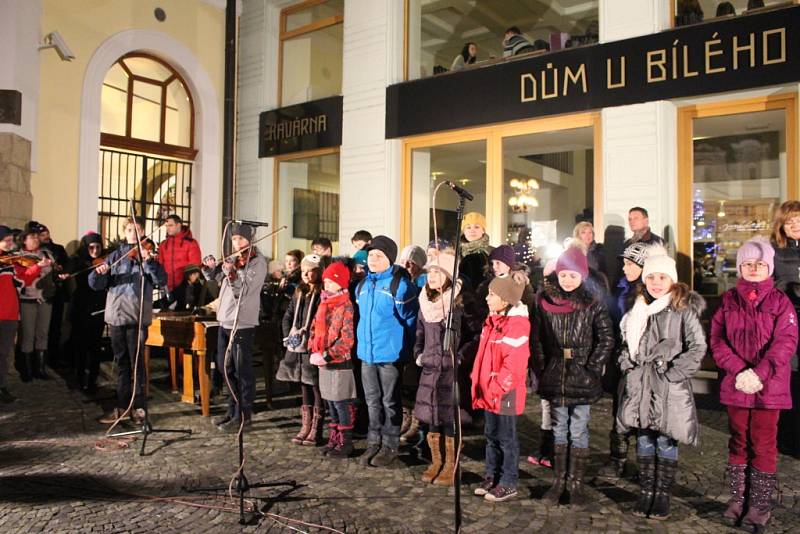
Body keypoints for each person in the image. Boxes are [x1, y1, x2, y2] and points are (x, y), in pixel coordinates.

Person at [711, 237, 797, 530]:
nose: (754, 268)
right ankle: (738, 498)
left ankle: (759, 505)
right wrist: (738, 371)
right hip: (737, 385)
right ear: (740, 267)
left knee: (763, 443)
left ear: (769, 267)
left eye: (760, 264)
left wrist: (759, 373)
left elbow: (786, 343)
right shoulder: (728, 300)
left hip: (768, 387)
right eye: (748, 263)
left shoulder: (780, 302)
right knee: (738, 440)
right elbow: (717, 340)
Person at [616, 245, 706, 520]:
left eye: (662, 278)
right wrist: (626, 362)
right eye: (651, 277)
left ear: (672, 280)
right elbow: (627, 345)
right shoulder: (639, 308)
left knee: (666, 439)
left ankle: (662, 494)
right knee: (644, 436)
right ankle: (646, 491)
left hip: (669, 388)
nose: (656, 283)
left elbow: (697, 347)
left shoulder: (682, 309)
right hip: (641, 385)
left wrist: (673, 373)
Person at [533, 246, 614, 505]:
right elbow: (537, 339)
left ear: (582, 276)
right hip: (556, 372)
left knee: (578, 429)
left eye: (573, 275)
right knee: (558, 429)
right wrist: (544, 367)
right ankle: (559, 481)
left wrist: (592, 367)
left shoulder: (592, 302)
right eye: (563, 275)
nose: (567, 280)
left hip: (582, 373)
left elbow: (606, 338)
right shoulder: (545, 302)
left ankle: (576, 484)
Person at [90, 217, 167, 425]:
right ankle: (123, 406)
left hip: (137, 315)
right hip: (116, 315)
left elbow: (161, 280)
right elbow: (96, 285)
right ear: (125, 232)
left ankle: (140, 407)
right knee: (122, 363)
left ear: (143, 231)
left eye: (138, 229)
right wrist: (99, 274)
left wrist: (149, 262)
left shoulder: (149, 254)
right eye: (130, 229)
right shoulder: (115, 255)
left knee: (137, 364)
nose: (133, 233)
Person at [355, 235, 419, 467]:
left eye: (378, 256)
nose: (372, 259)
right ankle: (373, 443)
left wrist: (411, 352)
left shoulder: (399, 286)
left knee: (390, 401)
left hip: (390, 355)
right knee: (371, 401)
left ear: (389, 259)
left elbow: (411, 321)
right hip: (367, 354)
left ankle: (390, 445)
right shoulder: (362, 285)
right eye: (370, 255)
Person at [471, 271, 530, 502]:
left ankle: (508, 481)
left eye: (492, 294)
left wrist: (495, 387)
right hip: (490, 389)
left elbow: (513, 365)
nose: (487, 298)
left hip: (505, 392)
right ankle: (492, 475)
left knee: (507, 438)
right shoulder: (492, 321)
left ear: (505, 301)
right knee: (491, 435)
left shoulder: (515, 325)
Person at [598, 240, 649, 478]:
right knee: (620, 409)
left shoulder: (650, 293)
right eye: (625, 263)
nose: (626, 268)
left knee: (643, 411)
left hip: (644, 362)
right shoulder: (621, 288)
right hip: (621, 359)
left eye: (631, 264)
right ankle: (617, 457)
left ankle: (644, 462)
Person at [211, 223, 267, 432]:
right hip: (225, 319)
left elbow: (243, 290)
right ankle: (231, 410)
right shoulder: (235, 259)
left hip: (241, 322)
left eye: (241, 239)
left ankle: (244, 415)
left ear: (250, 239)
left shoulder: (257, 262)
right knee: (226, 368)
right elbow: (220, 282)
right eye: (234, 239)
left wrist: (233, 274)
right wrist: (212, 270)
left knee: (242, 370)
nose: (237, 243)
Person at [413, 252, 463, 485]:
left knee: (448, 417)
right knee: (432, 415)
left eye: (437, 272)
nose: (431, 277)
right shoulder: (425, 301)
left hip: (450, 369)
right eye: (429, 272)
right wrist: (419, 355)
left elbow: (471, 336)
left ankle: (451, 465)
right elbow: (420, 333)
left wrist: (459, 357)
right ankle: (436, 461)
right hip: (430, 367)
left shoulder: (457, 303)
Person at [310, 261, 356, 459]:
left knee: (340, 402)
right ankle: (334, 438)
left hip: (338, 362)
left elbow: (346, 339)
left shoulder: (346, 306)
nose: (326, 285)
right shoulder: (323, 303)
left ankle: (346, 441)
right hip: (323, 361)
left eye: (330, 282)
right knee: (329, 402)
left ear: (340, 283)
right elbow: (315, 327)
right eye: (325, 282)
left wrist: (327, 355)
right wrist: (313, 346)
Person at [278, 254, 325, 444]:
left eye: (311, 270)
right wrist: (288, 335)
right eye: (304, 271)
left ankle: (316, 428)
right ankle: (305, 425)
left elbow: (320, 320)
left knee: (315, 385)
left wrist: (312, 339)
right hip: (297, 345)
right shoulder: (300, 292)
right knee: (303, 384)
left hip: (312, 347)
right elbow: (288, 315)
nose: (306, 274)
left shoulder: (322, 293)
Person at [0, 225, 45, 400]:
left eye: (12, 240)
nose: (12, 244)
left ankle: (2, 387)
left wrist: (38, 266)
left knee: (3, 354)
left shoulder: (12, 262)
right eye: (8, 241)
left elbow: (24, 279)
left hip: (10, 314)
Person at [770, 200, 800, 458]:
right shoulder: (774, 251)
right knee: (789, 377)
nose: (796, 226)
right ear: (782, 225)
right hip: (786, 321)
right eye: (791, 221)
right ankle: (787, 437)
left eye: (799, 220)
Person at [64, 232, 107, 392]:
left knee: (95, 345)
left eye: (98, 247)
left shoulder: (105, 261)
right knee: (81, 344)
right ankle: (80, 377)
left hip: (99, 305)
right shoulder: (78, 260)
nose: (95, 250)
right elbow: (70, 268)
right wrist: (65, 273)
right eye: (91, 247)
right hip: (81, 305)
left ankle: (93, 379)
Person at [17, 227, 57, 381]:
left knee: (42, 333)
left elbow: (53, 273)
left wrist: (58, 274)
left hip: (45, 299)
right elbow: (22, 276)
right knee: (28, 334)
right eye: (31, 237)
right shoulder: (19, 256)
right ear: (24, 240)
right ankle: (26, 370)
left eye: (36, 237)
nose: (35, 240)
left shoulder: (47, 254)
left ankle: (40, 369)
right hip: (28, 299)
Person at [35, 222, 69, 366]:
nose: (46, 237)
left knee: (56, 325)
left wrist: (62, 269)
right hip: (42, 292)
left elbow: (67, 265)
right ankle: (39, 361)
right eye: (43, 235)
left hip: (57, 291)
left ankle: (53, 358)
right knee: (42, 328)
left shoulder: (58, 249)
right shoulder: (36, 252)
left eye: (47, 233)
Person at [158, 214, 202, 294]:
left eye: (171, 225)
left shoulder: (191, 243)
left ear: (178, 225)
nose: (168, 228)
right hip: (167, 287)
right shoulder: (163, 244)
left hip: (185, 287)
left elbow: (195, 266)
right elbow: (160, 265)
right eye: (167, 226)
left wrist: (187, 284)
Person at [460, 212, 492, 290]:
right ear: (464, 231)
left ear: (483, 230)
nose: (472, 230)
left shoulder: (491, 252)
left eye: (477, 227)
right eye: (468, 227)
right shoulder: (455, 252)